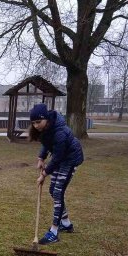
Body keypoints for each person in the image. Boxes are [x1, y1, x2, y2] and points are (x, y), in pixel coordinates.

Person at [29, 103, 84, 245]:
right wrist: (41, 157)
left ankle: (54, 232)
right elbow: (47, 144)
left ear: (46, 118)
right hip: (60, 159)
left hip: (70, 160)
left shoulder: (60, 131)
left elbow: (57, 157)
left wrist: (44, 174)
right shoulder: (46, 128)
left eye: (38, 122)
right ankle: (65, 223)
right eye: (33, 123)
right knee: (53, 191)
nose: (36, 125)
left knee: (58, 192)